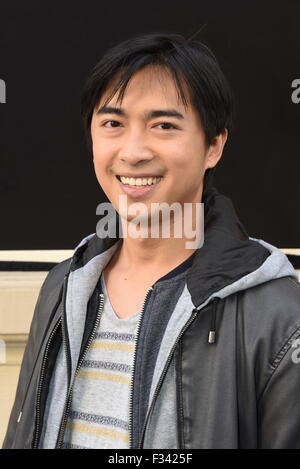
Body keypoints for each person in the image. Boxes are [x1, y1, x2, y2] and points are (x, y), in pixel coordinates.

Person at [3, 32, 300, 450]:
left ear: (214, 145)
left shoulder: (279, 316)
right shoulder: (62, 288)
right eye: (113, 124)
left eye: (163, 125)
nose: (133, 151)